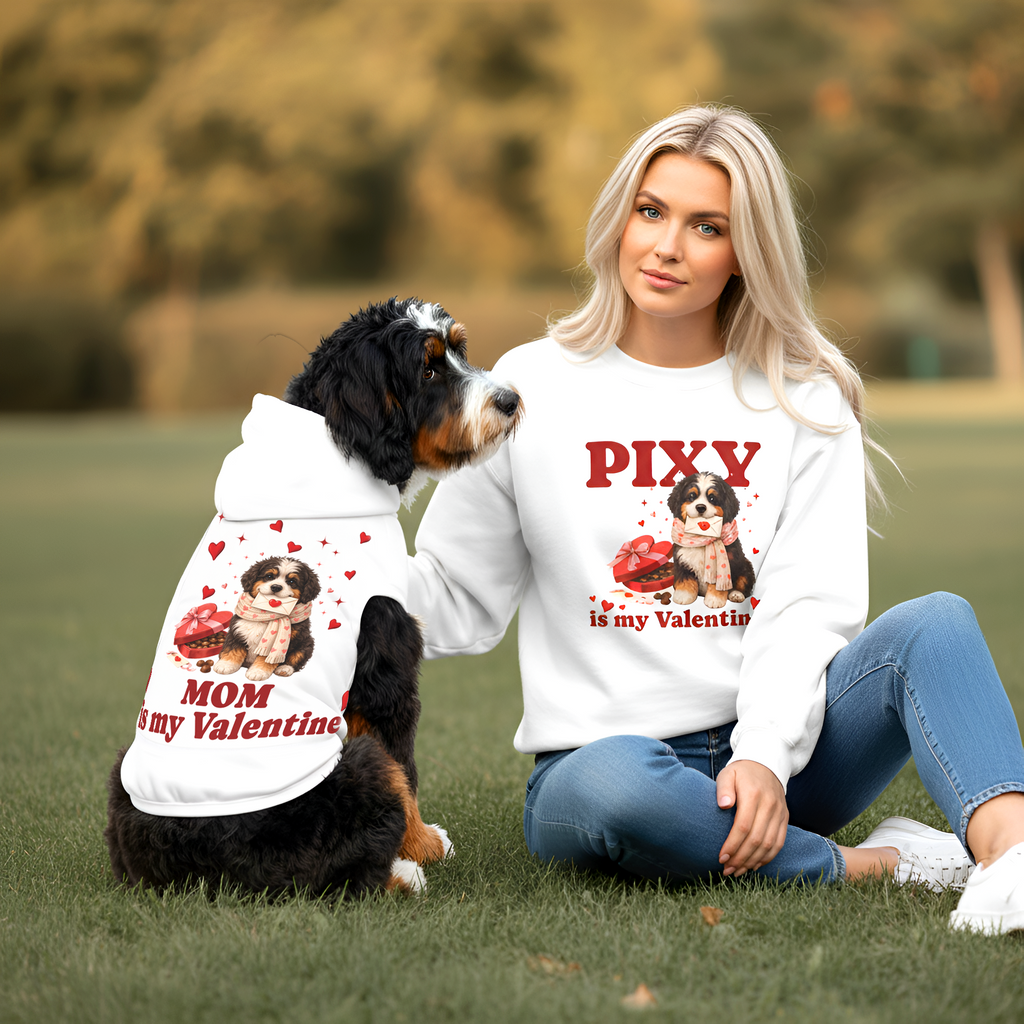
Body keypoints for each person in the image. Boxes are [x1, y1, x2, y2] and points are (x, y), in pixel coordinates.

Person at [406, 106, 1024, 934]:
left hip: (784, 761)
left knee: (936, 626)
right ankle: (878, 865)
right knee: (617, 788)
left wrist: (764, 752)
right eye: (652, 211)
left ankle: (1008, 863)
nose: (666, 246)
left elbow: (806, 604)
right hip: (600, 767)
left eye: (708, 227)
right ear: (620, 216)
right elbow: (454, 593)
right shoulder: (532, 382)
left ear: (746, 253)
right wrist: (329, 576)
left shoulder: (804, 398)